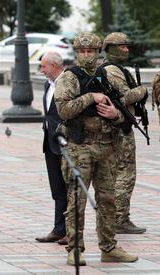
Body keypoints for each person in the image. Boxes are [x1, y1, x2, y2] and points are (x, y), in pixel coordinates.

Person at [54, 32, 138, 266]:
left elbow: (122, 108)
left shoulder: (105, 76)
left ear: (98, 51)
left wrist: (116, 115)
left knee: (108, 199)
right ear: (77, 52)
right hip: (79, 147)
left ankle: (108, 247)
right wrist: (91, 97)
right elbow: (64, 111)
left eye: (91, 51)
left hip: (106, 146)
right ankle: (75, 249)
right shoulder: (69, 78)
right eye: (83, 51)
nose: (87, 55)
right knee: (77, 200)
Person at [101, 32, 147, 234]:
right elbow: (125, 96)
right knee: (125, 174)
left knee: (119, 174)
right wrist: (142, 90)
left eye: (127, 46)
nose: (126, 50)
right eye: (122, 46)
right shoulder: (112, 70)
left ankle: (117, 217)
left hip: (119, 126)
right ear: (110, 47)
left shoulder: (114, 69)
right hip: (119, 128)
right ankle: (120, 218)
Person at [35, 51, 67, 246]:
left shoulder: (68, 83)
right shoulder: (48, 84)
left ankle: (71, 231)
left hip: (65, 143)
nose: (42, 70)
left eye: (44, 66)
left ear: (54, 66)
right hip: (49, 143)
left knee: (70, 189)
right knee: (57, 189)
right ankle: (58, 229)